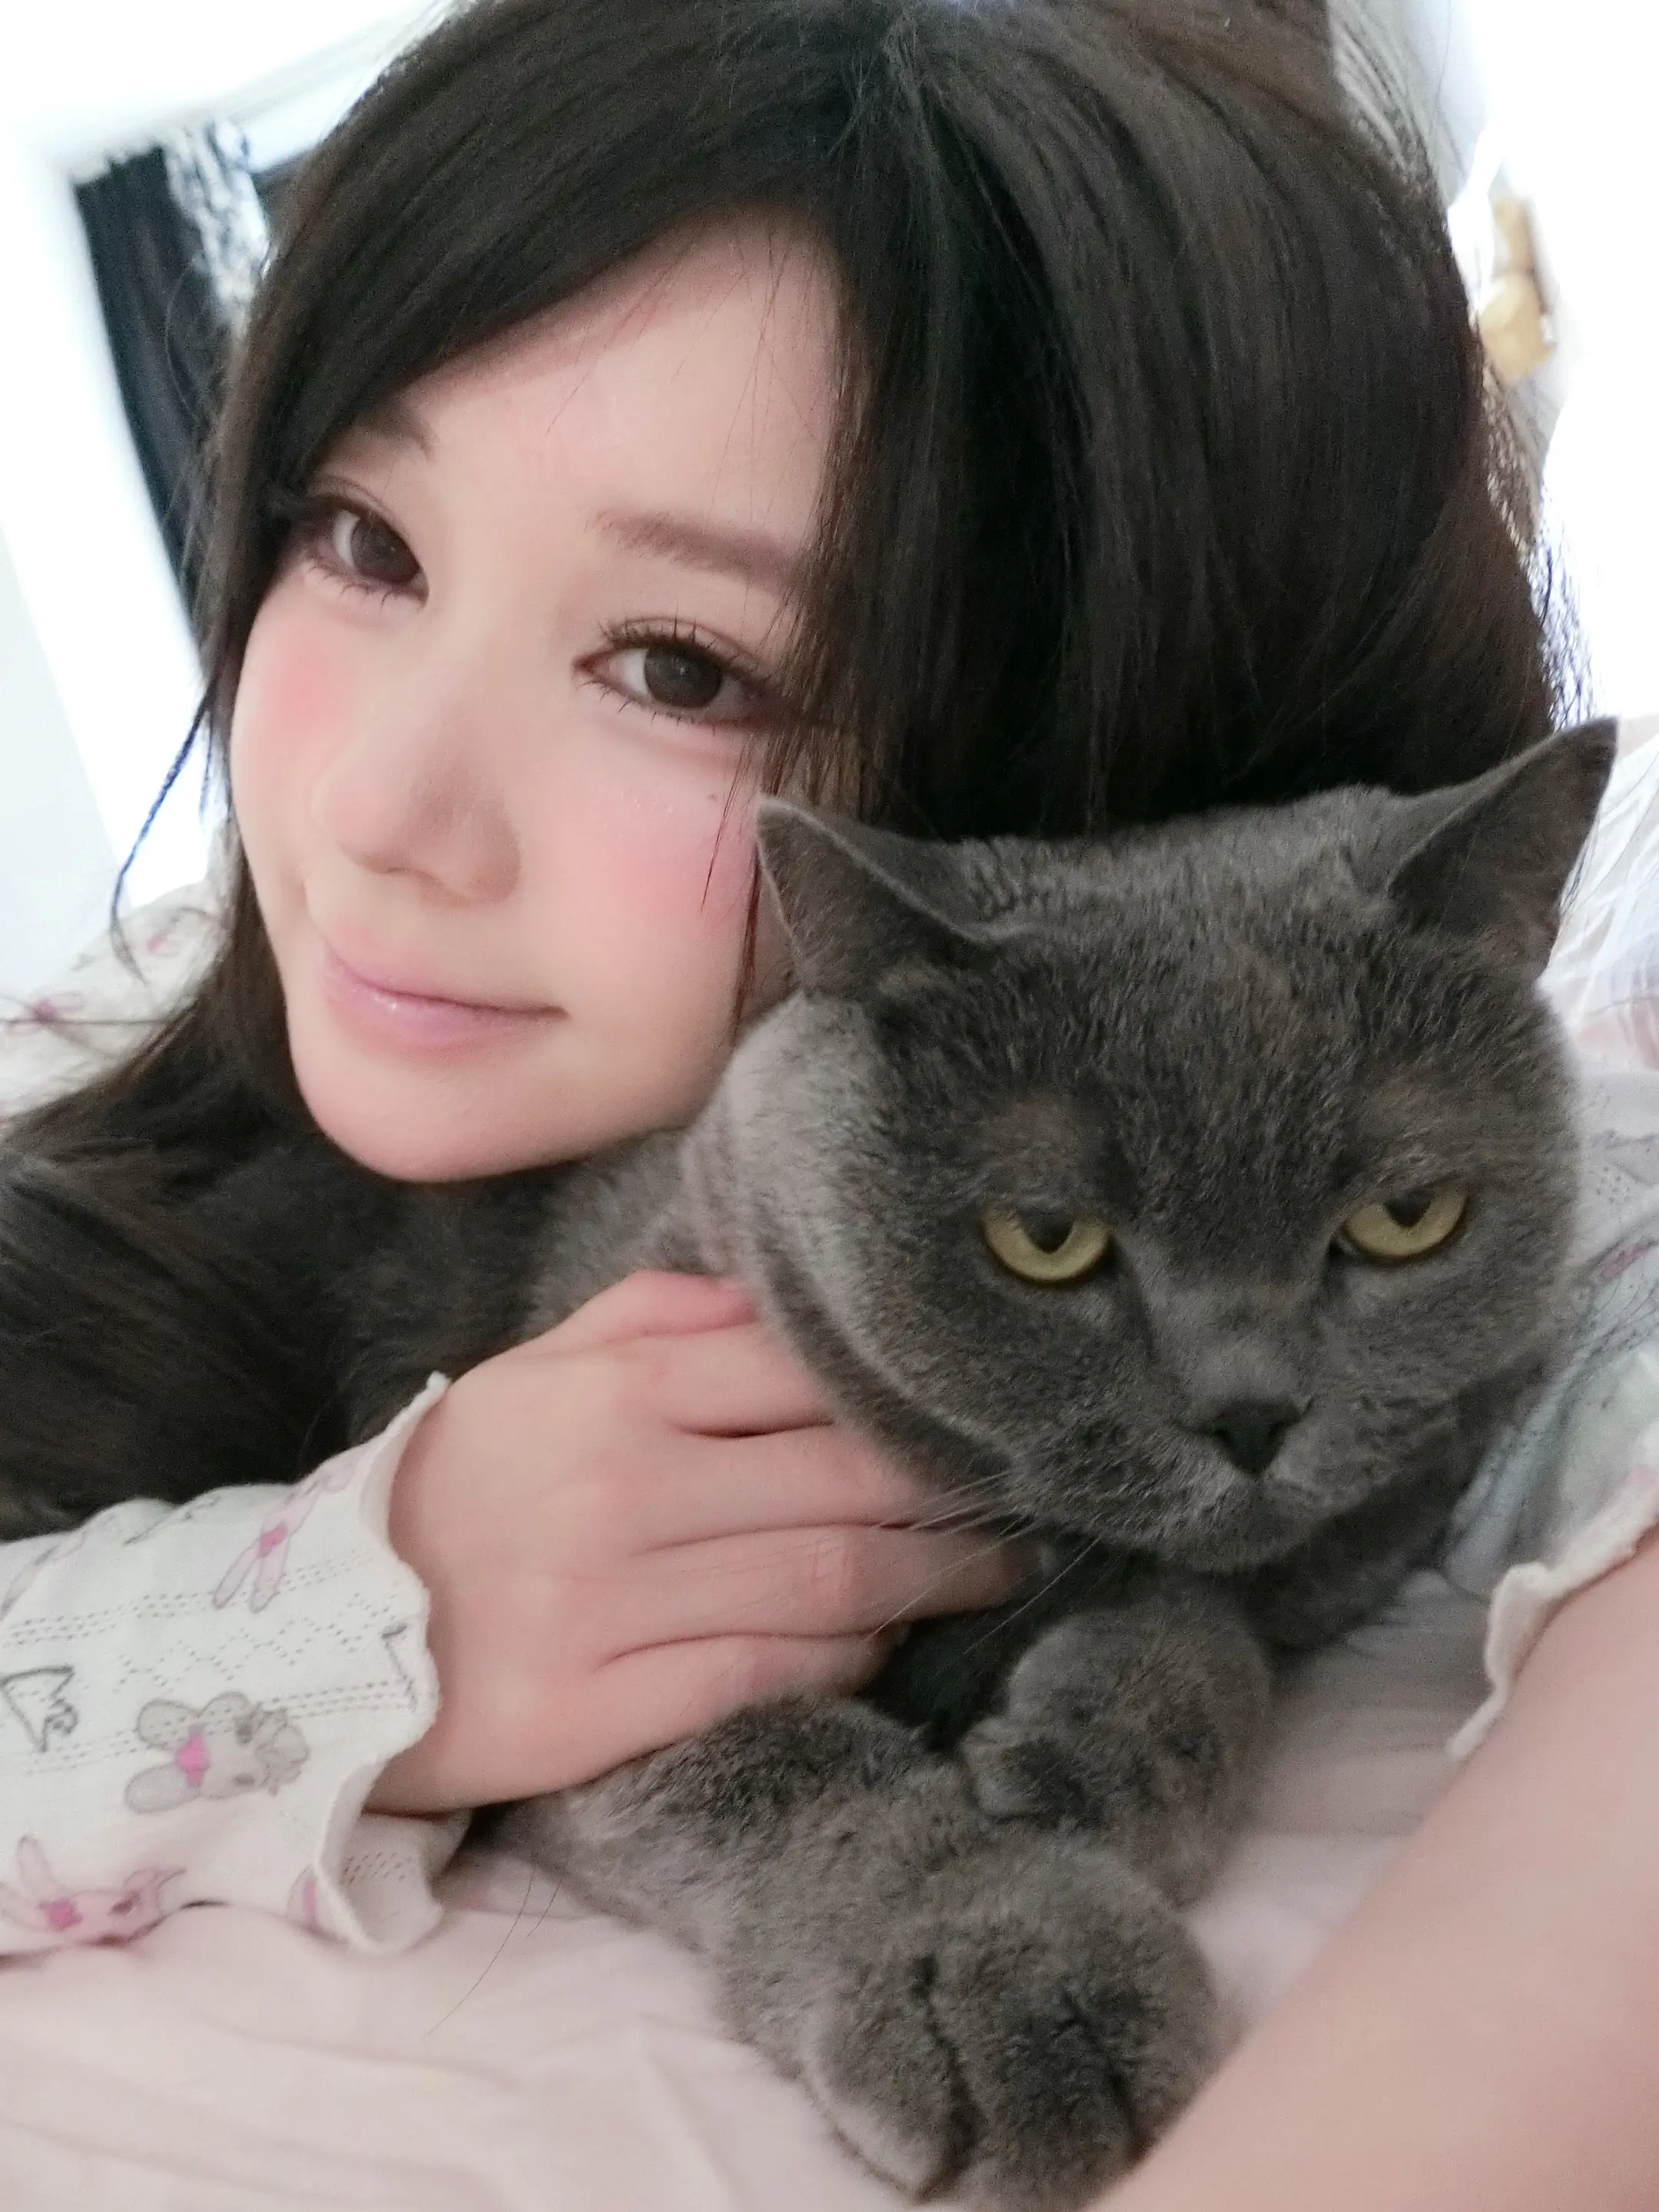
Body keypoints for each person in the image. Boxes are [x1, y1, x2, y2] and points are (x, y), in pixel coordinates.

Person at [4, 0, 1639, 2201]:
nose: (379, 813)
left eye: (680, 666)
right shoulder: (108, 1047)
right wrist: (360, 1624)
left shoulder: (1393, 1090)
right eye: (365, 543)